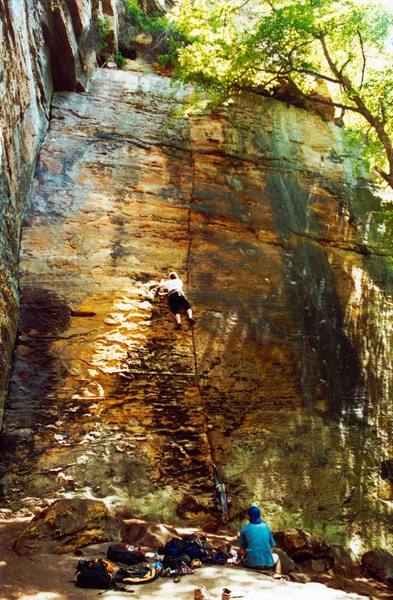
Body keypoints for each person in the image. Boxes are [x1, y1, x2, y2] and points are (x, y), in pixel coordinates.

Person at [237, 506, 282, 579]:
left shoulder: (244, 529)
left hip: (250, 564)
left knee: (242, 556)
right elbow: (271, 547)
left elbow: (241, 551)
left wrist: (239, 558)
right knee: (277, 556)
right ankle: (277, 574)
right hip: (267, 564)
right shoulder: (266, 527)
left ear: (248, 516)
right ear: (259, 515)